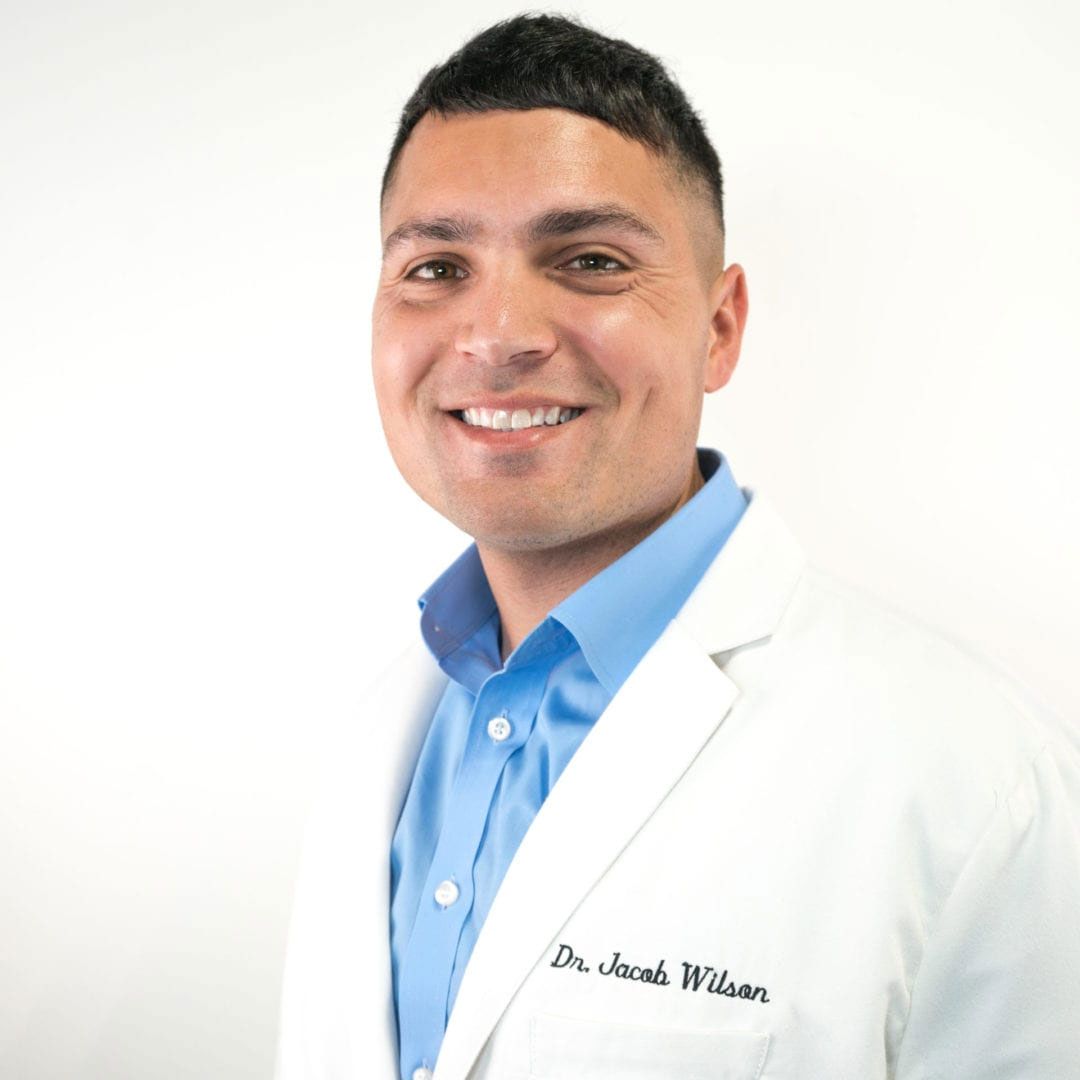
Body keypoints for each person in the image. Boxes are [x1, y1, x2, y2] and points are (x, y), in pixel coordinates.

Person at [276, 14, 1080, 1080]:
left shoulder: (979, 784)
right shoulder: (383, 726)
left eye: (590, 260)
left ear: (719, 327)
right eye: (435, 267)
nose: (498, 333)